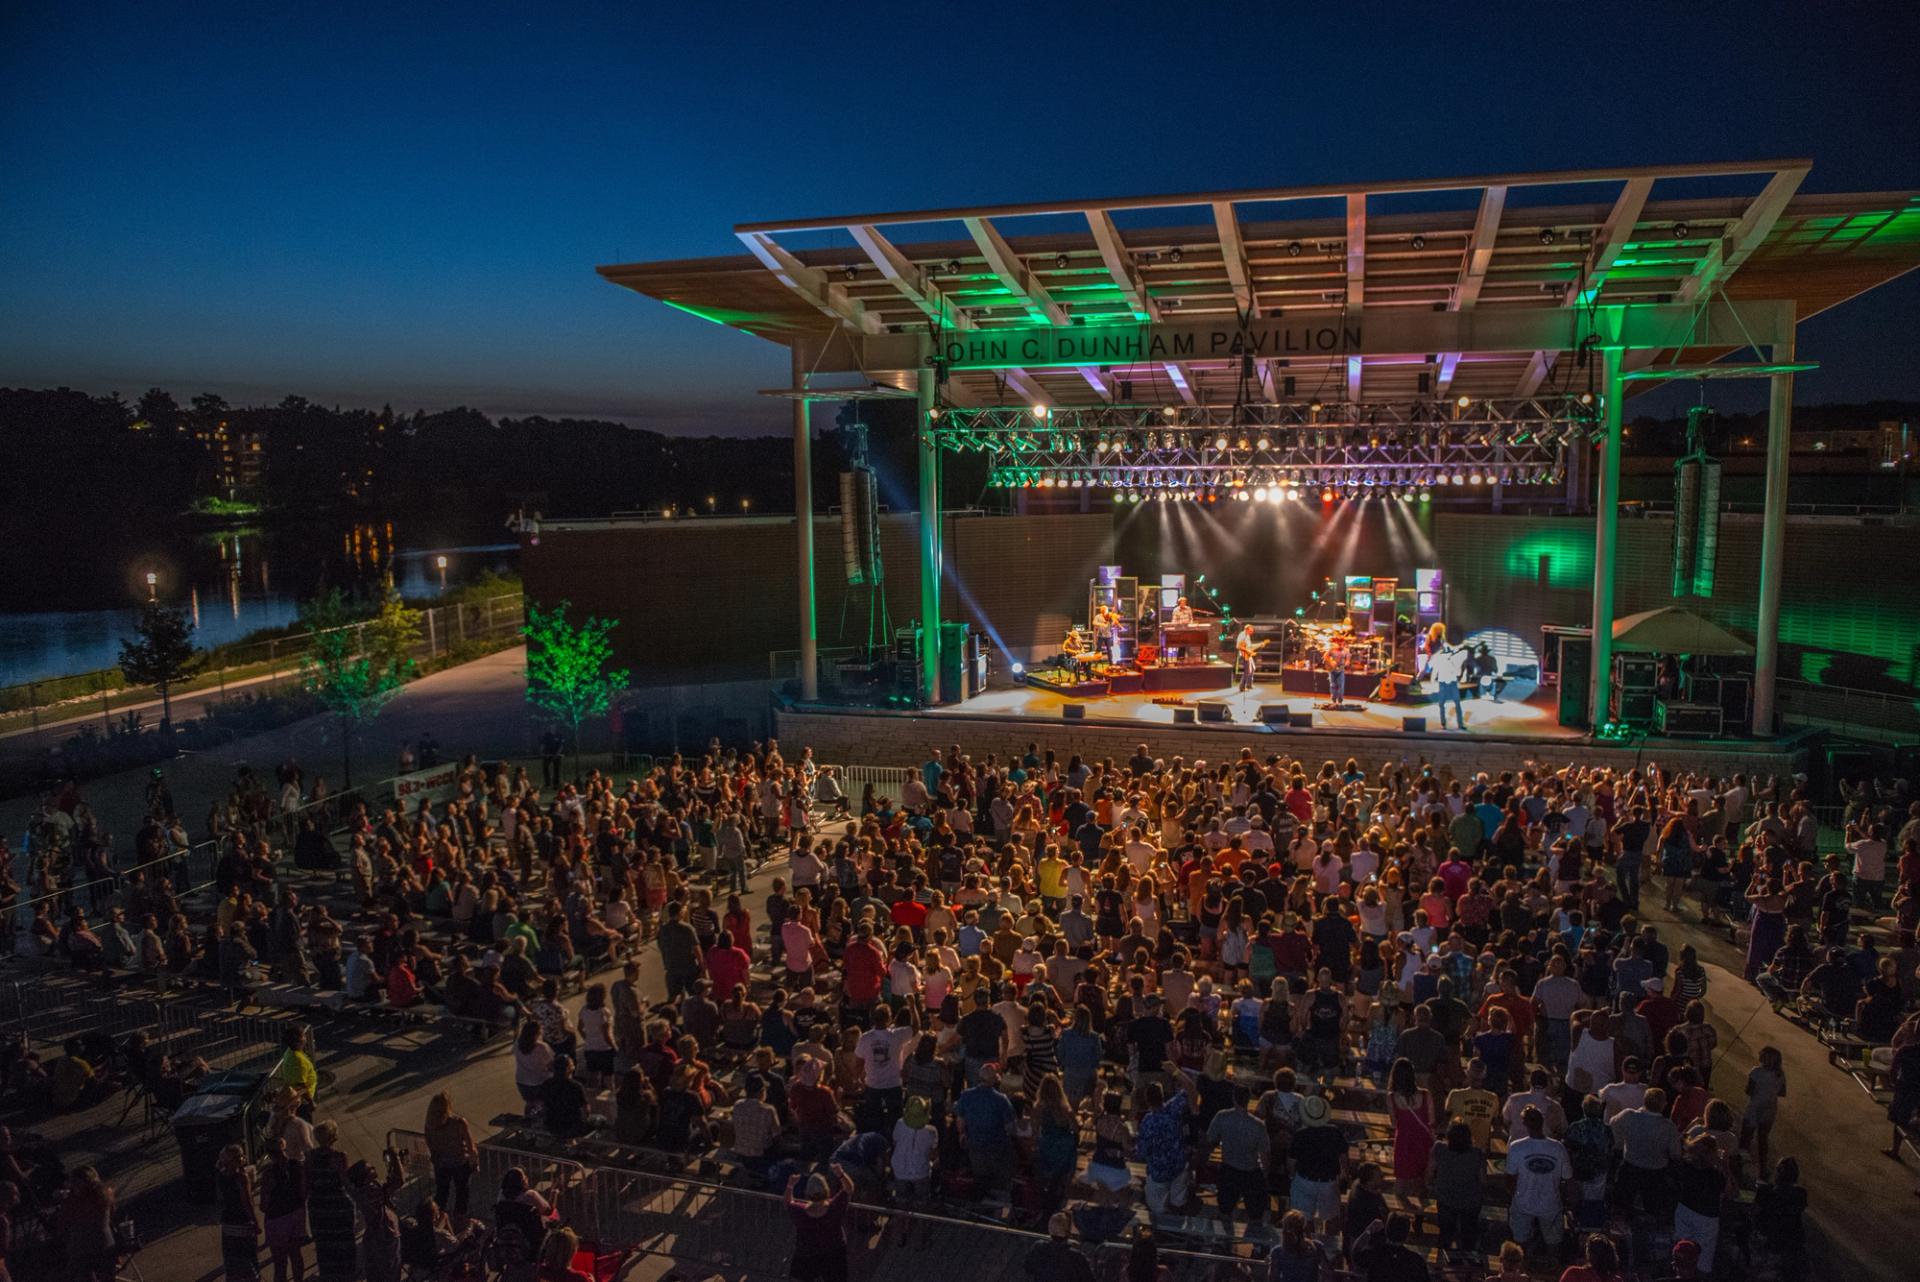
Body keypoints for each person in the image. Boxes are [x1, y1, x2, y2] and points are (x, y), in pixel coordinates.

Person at [1504, 1105, 1571, 1259]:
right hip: (1550, 1203)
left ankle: (1521, 1270)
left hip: (1523, 1202)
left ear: (1525, 1124)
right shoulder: (1558, 1148)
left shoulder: (1516, 1147)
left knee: (1520, 1244)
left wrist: (1513, 1196)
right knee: (1553, 1244)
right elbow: (1568, 1178)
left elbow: (1510, 1178)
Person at [305, 1121, 357, 1282]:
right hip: (338, 1204)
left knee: (324, 1244)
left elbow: (306, 1182)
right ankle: (346, 1275)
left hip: (318, 1204)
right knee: (344, 1243)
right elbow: (345, 1181)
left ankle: (328, 1275)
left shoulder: (310, 1157)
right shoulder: (339, 1156)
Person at [785, 1165, 853, 1282]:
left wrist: (790, 1185)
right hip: (834, 1253)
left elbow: (788, 1202)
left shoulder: (800, 1212)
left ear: (807, 1192)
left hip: (807, 1254)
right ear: (826, 1189)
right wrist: (840, 1174)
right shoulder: (834, 1208)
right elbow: (849, 1189)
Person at [259, 1136, 309, 1282]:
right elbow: (304, 1191)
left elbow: (263, 1204)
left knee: (280, 1263)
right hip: (297, 1214)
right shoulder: (298, 1166)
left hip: (277, 1219)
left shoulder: (269, 1174)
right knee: (296, 1255)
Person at [424, 1089, 478, 1223]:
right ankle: (459, 1222)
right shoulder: (458, 1123)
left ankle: (437, 1220)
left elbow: (431, 1145)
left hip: (441, 1164)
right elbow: (471, 1147)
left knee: (442, 1194)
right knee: (462, 1194)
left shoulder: (429, 1125)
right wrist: (475, 1163)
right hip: (460, 1163)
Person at [218, 1143, 262, 1281]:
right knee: (248, 1256)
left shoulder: (221, 1174)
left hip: (227, 1220)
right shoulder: (241, 1178)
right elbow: (247, 1201)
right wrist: (255, 1221)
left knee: (232, 1257)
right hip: (242, 1220)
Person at [1023, 1211, 1095, 1282]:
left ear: (1050, 1229)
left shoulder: (1038, 1247)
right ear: (1068, 1231)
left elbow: (1028, 1268)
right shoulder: (1076, 1256)